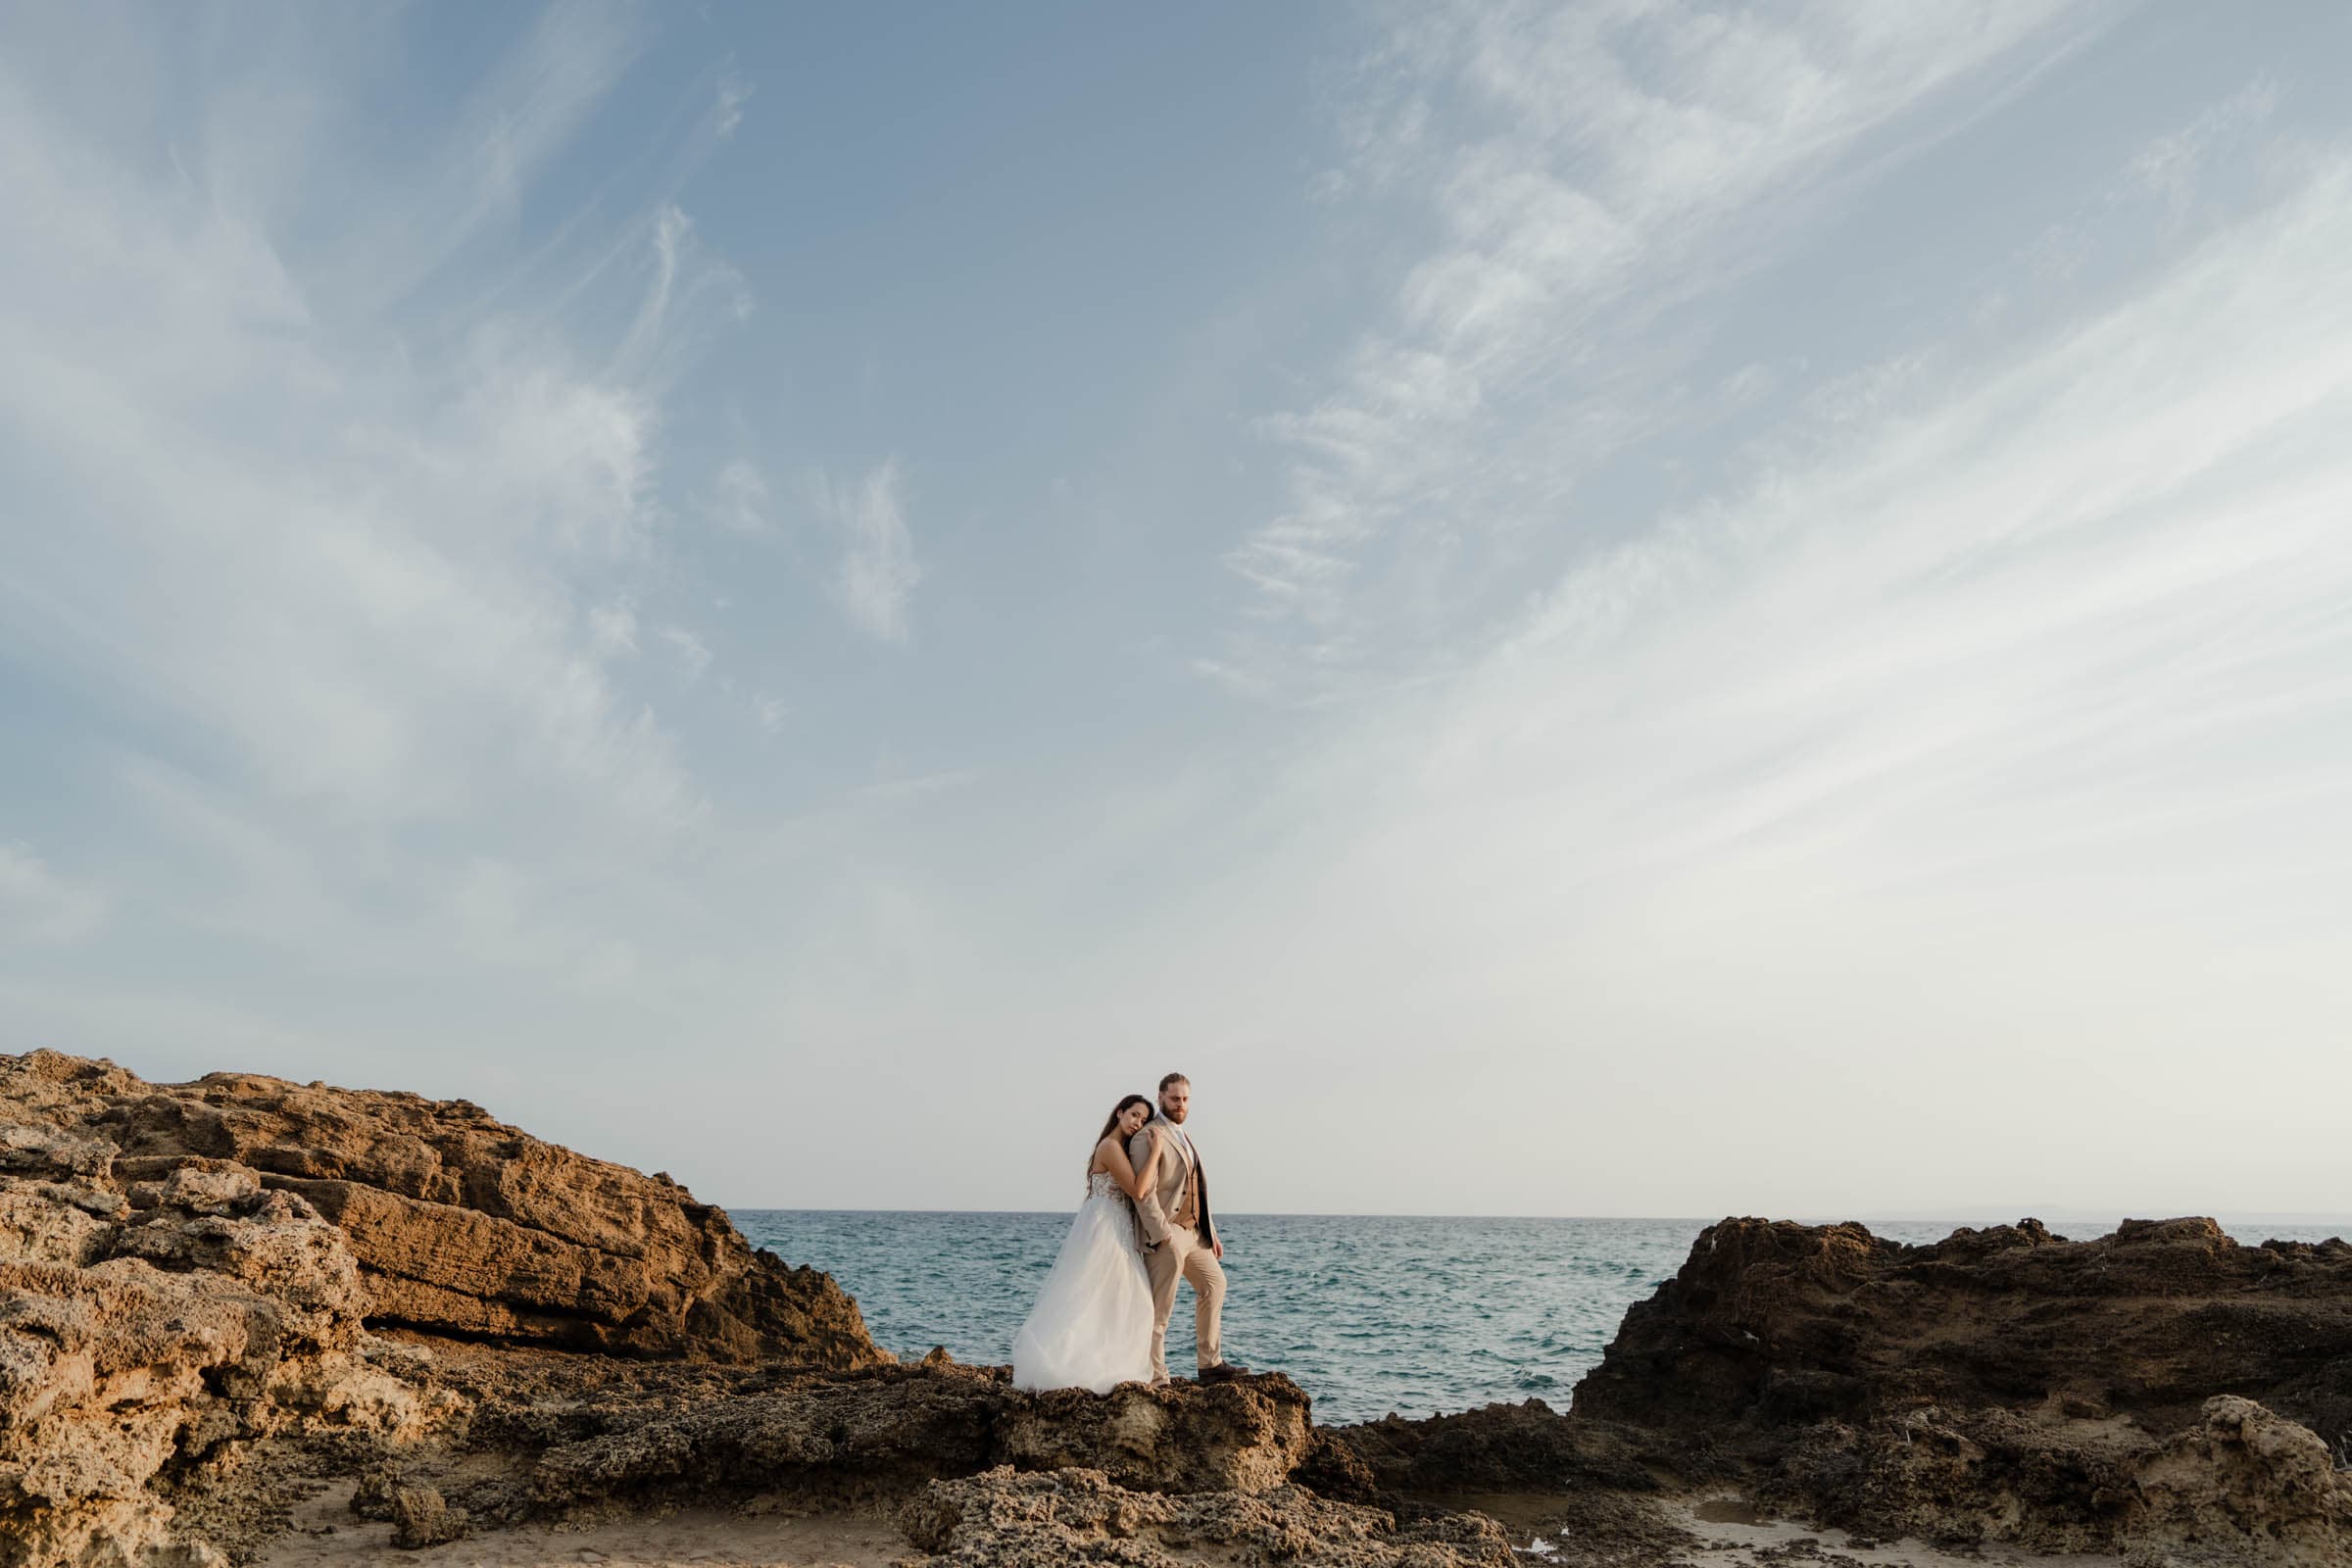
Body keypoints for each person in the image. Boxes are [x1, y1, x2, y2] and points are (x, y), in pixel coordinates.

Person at [1009, 1094, 1159, 1393]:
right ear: (1119, 1113)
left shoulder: (1119, 1148)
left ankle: (1104, 1361)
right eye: (1134, 1115)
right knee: (1093, 1294)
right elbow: (1137, 1190)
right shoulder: (1110, 1147)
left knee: (1117, 1297)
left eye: (1143, 1120)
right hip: (1105, 1227)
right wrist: (1155, 1153)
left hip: (1116, 1225)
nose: (1137, 1123)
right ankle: (1073, 1363)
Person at [1130, 1072, 1249, 1385]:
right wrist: (1162, 1234)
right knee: (1161, 1309)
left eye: (1184, 1099)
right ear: (1160, 1098)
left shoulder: (1183, 1134)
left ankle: (1210, 1364)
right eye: (1174, 1098)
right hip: (1166, 1234)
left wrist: (1210, 1231)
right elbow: (1144, 1193)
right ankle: (1156, 1375)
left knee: (1215, 1285)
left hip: (1195, 1234)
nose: (1180, 1104)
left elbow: (1196, 1187)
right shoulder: (1148, 1136)